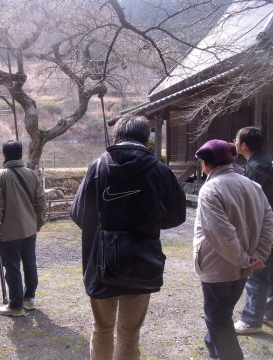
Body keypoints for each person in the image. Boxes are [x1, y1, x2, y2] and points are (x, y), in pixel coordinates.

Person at [70, 115, 186, 360]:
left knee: (102, 329)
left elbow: (79, 214)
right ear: (147, 141)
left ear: (115, 138)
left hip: (102, 263)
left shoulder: (98, 167)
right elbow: (176, 216)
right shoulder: (160, 170)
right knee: (129, 332)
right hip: (141, 263)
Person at [193, 139, 273, 359]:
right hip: (245, 265)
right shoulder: (253, 185)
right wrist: (257, 256)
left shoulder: (210, 189)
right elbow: (269, 223)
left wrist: (245, 259)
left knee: (217, 318)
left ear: (206, 164)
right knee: (223, 312)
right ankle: (213, 346)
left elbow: (221, 233)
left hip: (219, 267)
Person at [233, 127, 273, 334]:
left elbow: (265, 200)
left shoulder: (255, 167)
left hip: (267, 227)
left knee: (257, 272)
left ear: (244, 146)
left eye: (236, 140)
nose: (234, 142)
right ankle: (272, 314)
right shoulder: (271, 162)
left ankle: (251, 320)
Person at [0, 140, 47, 317]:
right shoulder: (32, 174)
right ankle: (29, 299)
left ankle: (15, 306)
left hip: (9, 231)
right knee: (30, 263)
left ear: (4, 155)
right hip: (29, 229)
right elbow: (41, 202)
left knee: (12, 267)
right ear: (21, 154)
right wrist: (38, 223)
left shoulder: (0, 176)